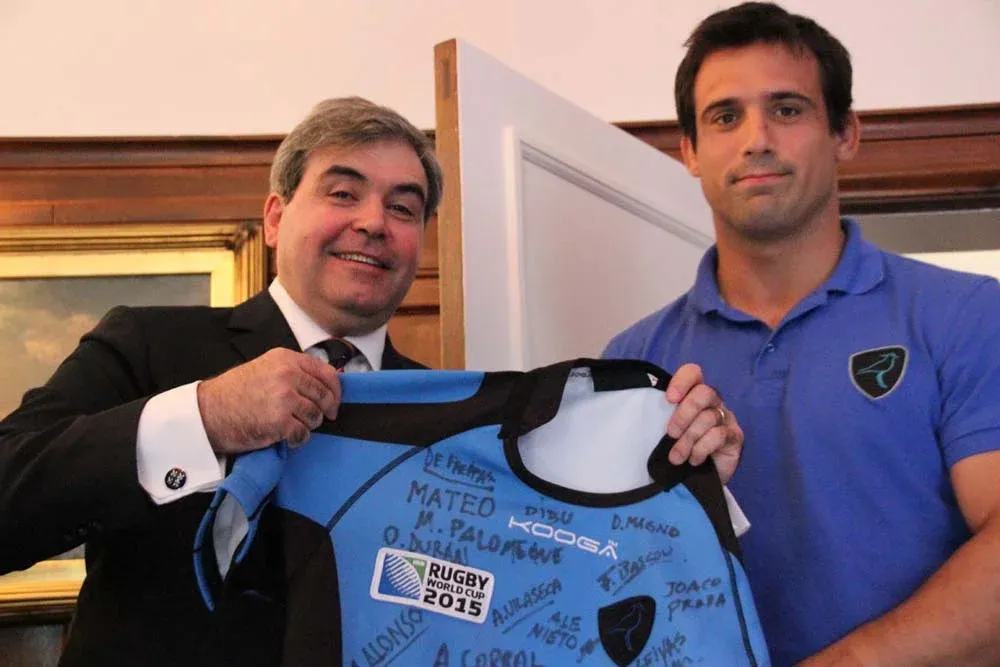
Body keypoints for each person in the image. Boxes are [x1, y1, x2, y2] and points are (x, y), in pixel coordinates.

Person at [0, 97, 743, 666]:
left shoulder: (455, 415)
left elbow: (544, 578)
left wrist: (676, 475)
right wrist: (206, 417)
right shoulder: (149, 344)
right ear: (275, 216)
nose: (374, 222)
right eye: (343, 192)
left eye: (403, 206)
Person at [604, 3, 1000, 666]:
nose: (756, 138)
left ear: (845, 132)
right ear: (690, 152)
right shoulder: (633, 359)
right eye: (724, 117)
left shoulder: (967, 315)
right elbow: (611, 574)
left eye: (787, 109)